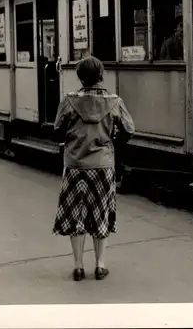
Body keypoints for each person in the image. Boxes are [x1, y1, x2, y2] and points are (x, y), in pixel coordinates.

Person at [52, 56, 135, 281]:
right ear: (101, 75)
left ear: (80, 76)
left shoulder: (69, 100)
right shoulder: (114, 101)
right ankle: (100, 265)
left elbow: (57, 131)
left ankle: (78, 266)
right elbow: (129, 129)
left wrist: (71, 139)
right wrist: (111, 144)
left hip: (75, 165)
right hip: (103, 165)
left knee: (76, 214)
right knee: (100, 214)